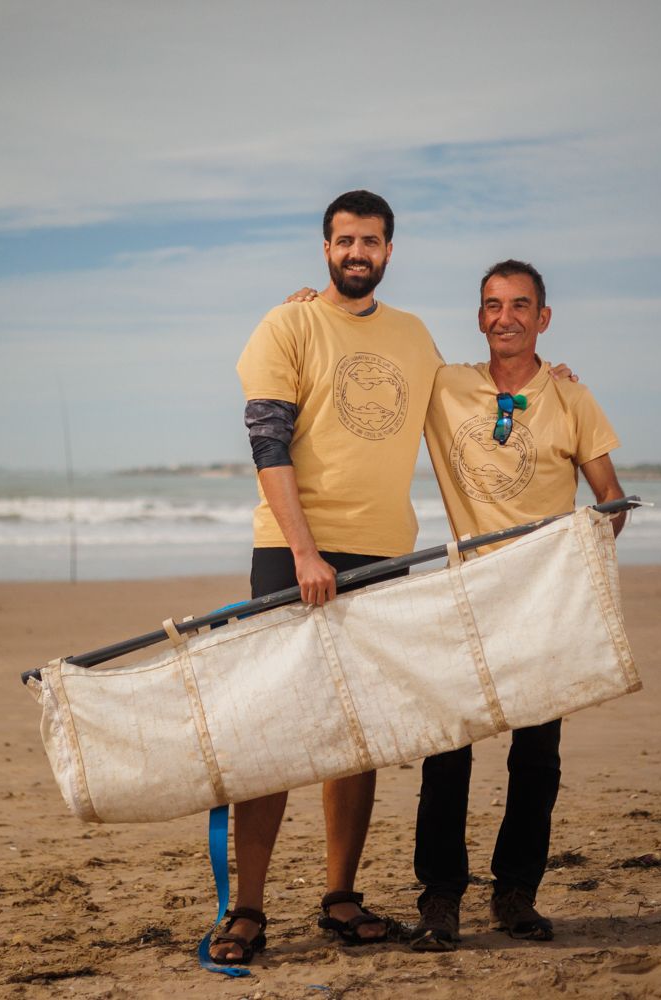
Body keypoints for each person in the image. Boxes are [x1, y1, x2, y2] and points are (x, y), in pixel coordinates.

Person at [211, 190, 444, 965]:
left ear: (388, 250)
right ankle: (247, 907)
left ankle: (340, 898)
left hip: (383, 551)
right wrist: (305, 553)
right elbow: (268, 443)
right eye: (345, 240)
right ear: (324, 248)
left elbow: (472, 413)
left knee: (355, 732)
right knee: (270, 729)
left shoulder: (415, 336)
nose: (357, 252)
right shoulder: (288, 324)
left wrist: (545, 377)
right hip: (293, 551)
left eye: (371, 241)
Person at [409, 259, 626, 952]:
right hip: (468, 597)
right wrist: (310, 306)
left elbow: (611, 502)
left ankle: (515, 894)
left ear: (543, 318)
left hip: (542, 604)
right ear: (480, 317)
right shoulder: (446, 386)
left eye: (520, 305)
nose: (505, 316)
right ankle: (441, 897)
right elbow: (370, 359)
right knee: (448, 753)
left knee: (537, 756)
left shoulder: (571, 399)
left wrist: (565, 555)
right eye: (493, 305)